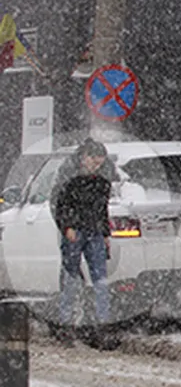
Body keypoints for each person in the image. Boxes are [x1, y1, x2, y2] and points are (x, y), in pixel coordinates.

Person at [50, 138, 119, 339]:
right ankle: (65, 323)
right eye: (94, 161)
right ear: (84, 157)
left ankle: (102, 323)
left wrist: (105, 233)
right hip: (75, 231)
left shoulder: (103, 177)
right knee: (71, 277)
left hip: (94, 230)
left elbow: (101, 207)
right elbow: (59, 202)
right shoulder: (68, 173)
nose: (97, 165)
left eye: (100, 162)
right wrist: (67, 226)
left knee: (100, 279)